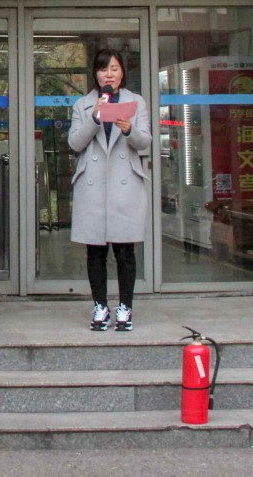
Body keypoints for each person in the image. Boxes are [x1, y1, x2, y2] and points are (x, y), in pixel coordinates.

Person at [67, 49, 152, 332]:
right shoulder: (83, 104)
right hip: (93, 185)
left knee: (125, 250)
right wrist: (94, 118)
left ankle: (125, 307)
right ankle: (100, 306)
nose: (109, 75)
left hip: (123, 184)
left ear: (122, 72)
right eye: (104, 69)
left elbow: (145, 142)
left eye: (114, 69)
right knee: (95, 252)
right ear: (96, 74)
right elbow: (75, 143)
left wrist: (128, 129)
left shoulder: (135, 102)